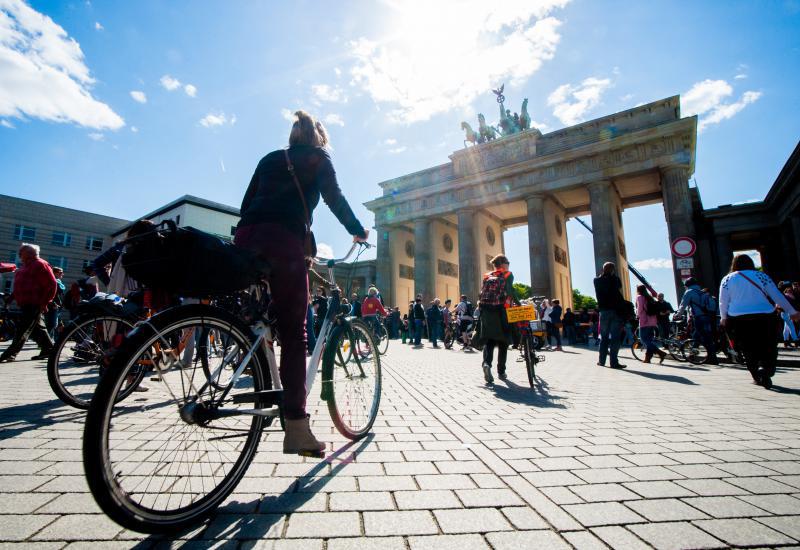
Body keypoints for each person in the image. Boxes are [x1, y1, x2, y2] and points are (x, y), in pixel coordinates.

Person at [234, 110, 368, 456]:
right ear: (318, 138)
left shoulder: (269, 158)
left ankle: (258, 371)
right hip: (282, 242)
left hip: (247, 237)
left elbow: (246, 205)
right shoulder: (318, 157)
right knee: (295, 335)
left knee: (259, 319)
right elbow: (335, 199)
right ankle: (296, 429)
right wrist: (357, 229)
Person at [719, 254, 799, 389]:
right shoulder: (761, 276)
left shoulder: (727, 279)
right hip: (765, 315)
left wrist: (723, 318)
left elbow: (723, 301)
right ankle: (766, 368)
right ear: (751, 263)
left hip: (739, 318)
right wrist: (792, 311)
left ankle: (757, 375)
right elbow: (777, 295)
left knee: (748, 347)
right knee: (768, 344)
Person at [0, 244, 57, 362]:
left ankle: (9, 354)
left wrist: (45, 302)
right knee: (37, 329)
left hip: (34, 303)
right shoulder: (25, 266)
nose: (19, 253)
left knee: (23, 329)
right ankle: (48, 349)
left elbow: (51, 285)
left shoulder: (41, 264)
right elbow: (19, 286)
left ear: (31, 253)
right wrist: (10, 299)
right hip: (25, 304)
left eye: (22, 251)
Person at [475, 255, 518, 384]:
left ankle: (486, 364)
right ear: (503, 264)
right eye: (508, 262)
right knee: (503, 342)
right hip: (502, 311)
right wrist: (519, 303)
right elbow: (510, 291)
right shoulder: (507, 275)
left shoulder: (487, 276)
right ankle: (501, 371)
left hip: (487, 312)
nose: (508, 265)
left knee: (489, 341)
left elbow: (482, 293)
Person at [593, 262, 626, 369]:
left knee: (604, 337)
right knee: (615, 338)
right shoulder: (615, 279)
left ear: (603, 269)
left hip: (603, 312)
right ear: (613, 270)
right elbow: (619, 287)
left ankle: (601, 361)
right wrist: (613, 275)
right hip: (616, 312)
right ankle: (614, 363)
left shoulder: (596, 280)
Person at [679, 277, 717, 365]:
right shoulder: (702, 292)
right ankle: (692, 355)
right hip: (708, 317)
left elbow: (683, 305)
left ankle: (712, 358)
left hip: (698, 317)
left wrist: (678, 315)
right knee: (697, 336)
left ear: (687, 285)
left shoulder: (689, 292)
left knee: (705, 337)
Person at [636, 285, 666, 363]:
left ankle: (660, 353)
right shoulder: (650, 297)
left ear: (638, 290)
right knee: (649, 340)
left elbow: (640, 309)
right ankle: (647, 359)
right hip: (653, 321)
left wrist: (637, 316)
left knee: (643, 339)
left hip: (645, 321)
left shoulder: (640, 297)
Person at [45, 266, 65, 340]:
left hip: (58, 306)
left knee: (56, 324)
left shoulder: (58, 282)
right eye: (60, 272)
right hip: (53, 306)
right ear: (54, 273)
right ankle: (46, 341)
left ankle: (52, 339)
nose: (62, 274)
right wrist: (53, 303)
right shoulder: (52, 281)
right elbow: (49, 293)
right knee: (52, 324)